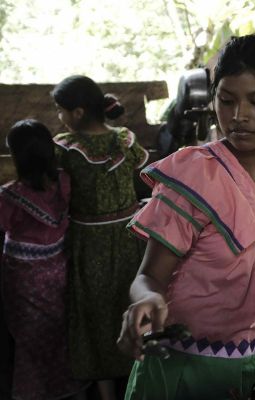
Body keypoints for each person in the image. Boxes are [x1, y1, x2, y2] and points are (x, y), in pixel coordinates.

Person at [115, 33, 255, 400]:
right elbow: (148, 277)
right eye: (226, 101)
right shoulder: (193, 178)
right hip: (182, 369)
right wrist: (146, 299)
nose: (239, 116)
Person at [52, 76, 149, 400]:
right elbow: (140, 165)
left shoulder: (65, 148)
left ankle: (106, 392)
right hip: (129, 239)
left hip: (89, 242)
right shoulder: (124, 141)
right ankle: (138, 380)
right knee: (128, 304)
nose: (59, 117)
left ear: (78, 112)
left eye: (61, 110)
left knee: (95, 314)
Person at [0, 120, 87, 400]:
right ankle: (68, 389)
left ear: (18, 158)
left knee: (28, 340)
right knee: (58, 334)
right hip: (58, 271)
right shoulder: (64, 182)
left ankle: (33, 392)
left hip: (23, 280)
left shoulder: (10, 196)